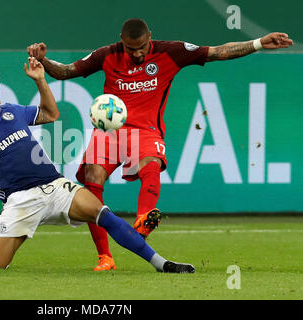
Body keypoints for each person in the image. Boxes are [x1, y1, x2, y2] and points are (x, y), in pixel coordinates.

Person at [0, 57, 195, 273]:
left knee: (102, 213)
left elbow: (50, 114)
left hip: (56, 187)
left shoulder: (13, 111)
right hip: (20, 201)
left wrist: (41, 80)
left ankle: (162, 264)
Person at [27, 18, 294, 271]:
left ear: (150, 38)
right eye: (132, 49)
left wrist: (258, 43)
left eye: (142, 47)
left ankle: (143, 220)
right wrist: (43, 60)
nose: (138, 54)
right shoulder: (107, 54)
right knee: (93, 176)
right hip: (110, 130)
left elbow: (218, 52)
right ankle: (105, 257)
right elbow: (65, 72)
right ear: (121, 41)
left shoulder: (171, 52)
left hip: (145, 130)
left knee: (151, 164)